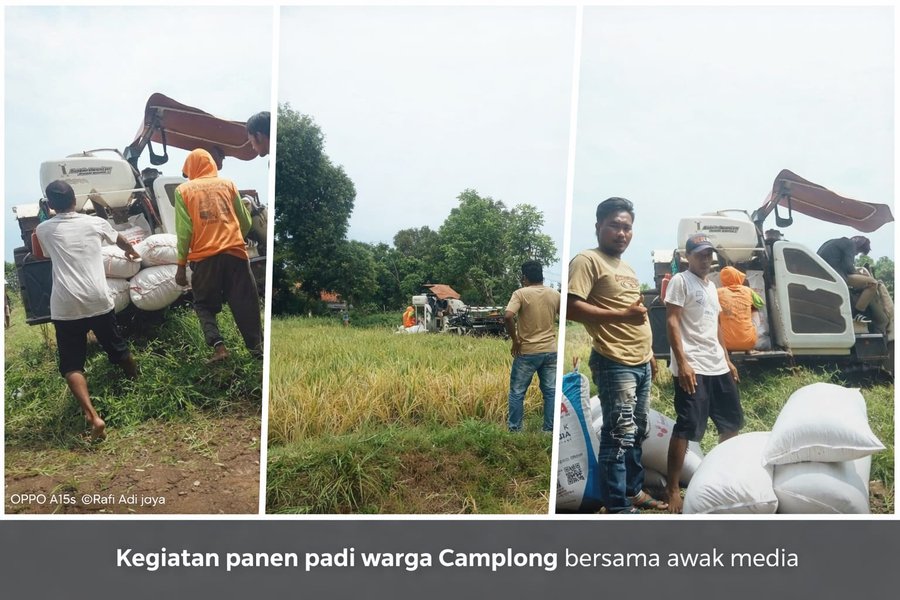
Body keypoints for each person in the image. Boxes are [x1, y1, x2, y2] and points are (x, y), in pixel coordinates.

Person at [567, 197, 666, 514]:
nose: (622, 233)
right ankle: (617, 506)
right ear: (598, 226)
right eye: (615, 226)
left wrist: (649, 353)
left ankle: (633, 491)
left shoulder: (627, 267)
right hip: (615, 361)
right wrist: (622, 315)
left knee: (637, 429)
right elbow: (570, 307)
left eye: (627, 227)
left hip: (640, 361)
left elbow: (638, 312)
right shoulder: (587, 260)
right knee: (618, 435)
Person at [35, 180, 140, 441]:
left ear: (50, 205)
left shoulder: (43, 229)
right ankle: (137, 386)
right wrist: (131, 252)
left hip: (66, 305)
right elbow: (122, 240)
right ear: (75, 200)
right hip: (97, 299)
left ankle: (93, 418)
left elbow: (41, 255)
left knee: (72, 364)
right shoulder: (95, 223)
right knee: (118, 348)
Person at [664, 233, 743, 513]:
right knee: (686, 427)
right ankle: (672, 489)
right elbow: (672, 321)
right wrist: (682, 363)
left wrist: (727, 358)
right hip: (693, 366)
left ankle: (724, 476)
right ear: (688, 257)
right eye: (699, 254)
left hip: (717, 365)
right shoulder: (680, 281)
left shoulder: (712, 286)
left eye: (708, 254)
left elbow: (717, 326)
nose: (705, 259)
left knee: (731, 424)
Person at [174, 149, 263, 362]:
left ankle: (219, 347)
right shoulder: (228, 184)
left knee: (203, 304)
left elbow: (184, 231)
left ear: (192, 168)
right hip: (236, 255)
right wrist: (231, 237)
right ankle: (258, 352)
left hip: (204, 259)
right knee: (246, 304)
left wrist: (180, 264)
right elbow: (245, 221)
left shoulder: (183, 190)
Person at [503, 260, 560, 433]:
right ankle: (549, 430)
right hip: (550, 351)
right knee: (550, 392)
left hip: (527, 352)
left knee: (517, 392)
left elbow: (507, 316)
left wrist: (515, 340)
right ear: (541, 275)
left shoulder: (520, 293)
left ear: (524, 277)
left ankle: (515, 430)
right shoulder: (555, 294)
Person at [817, 235, 894, 339]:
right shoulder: (850, 244)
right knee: (872, 283)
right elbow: (849, 267)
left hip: (825, 274)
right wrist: (862, 274)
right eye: (858, 252)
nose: (856, 253)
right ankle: (858, 313)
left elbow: (844, 266)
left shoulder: (834, 242)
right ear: (859, 245)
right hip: (835, 276)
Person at [716, 266, 764, 352]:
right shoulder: (747, 290)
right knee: (754, 309)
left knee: (718, 313)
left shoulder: (718, 292)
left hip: (725, 344)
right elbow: (760, 304)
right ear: (737, 277)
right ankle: (749, 345)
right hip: (749, 342)